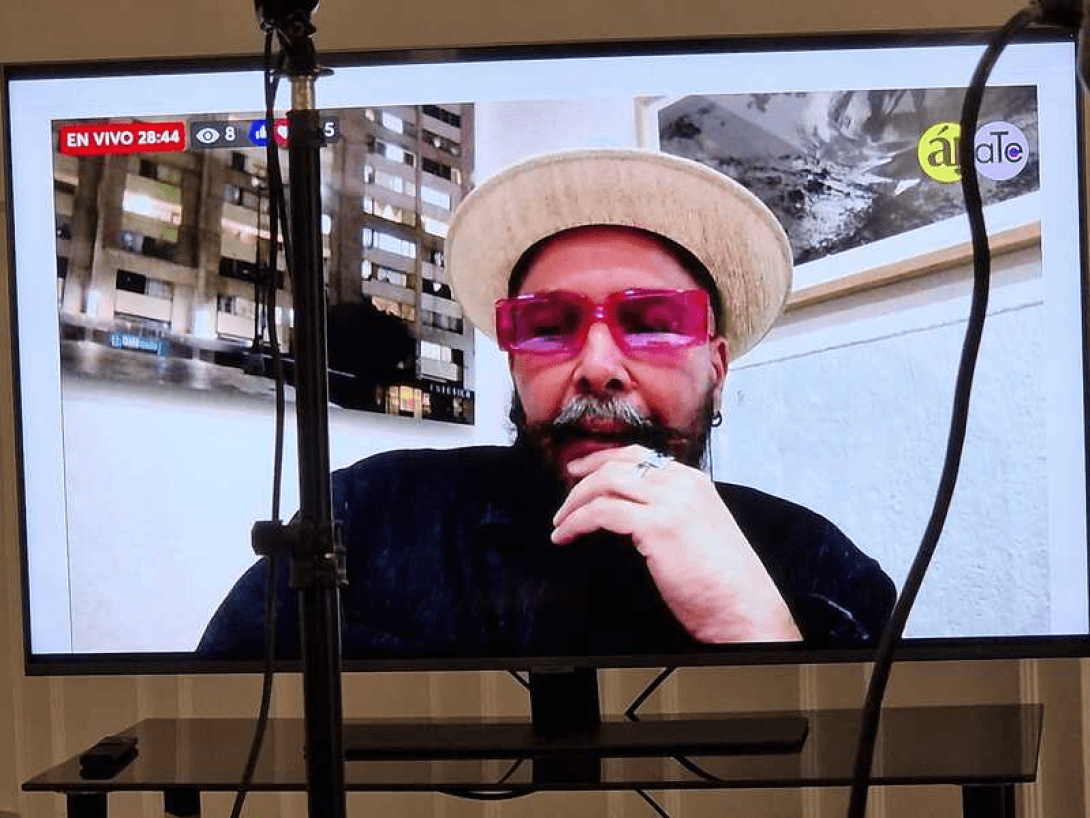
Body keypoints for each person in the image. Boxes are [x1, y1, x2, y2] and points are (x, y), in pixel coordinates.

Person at [199, 148, 895, 659]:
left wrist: (761, 634)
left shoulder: (815, 565)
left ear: (716, 366)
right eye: (549, 327)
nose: (596, 368)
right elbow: (210, 739)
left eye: (650, 322)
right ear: (513, 361)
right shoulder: (371, 516)